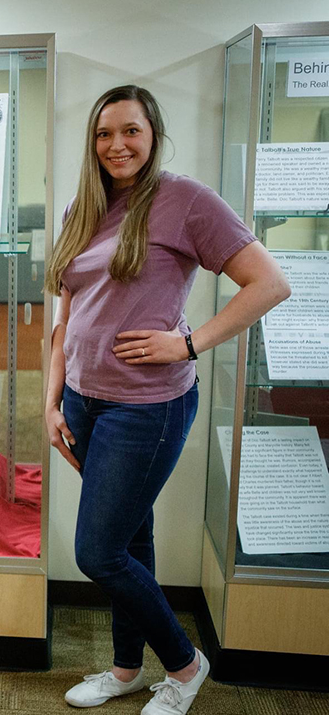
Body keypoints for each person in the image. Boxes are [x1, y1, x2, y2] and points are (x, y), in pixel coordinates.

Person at [45, 85, 289, 715]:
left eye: (130, 131)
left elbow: (269, 283)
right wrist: (51, 402)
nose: (116, 145)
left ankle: (184, 666)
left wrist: (188, 343)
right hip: (81, 401)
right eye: (104, 134)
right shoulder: (83, 206)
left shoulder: (185, 201)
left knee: (98, 553)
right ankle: (127, 668)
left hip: (145, 409)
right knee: (131, 540)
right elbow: (65, 316)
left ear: (152, 135)